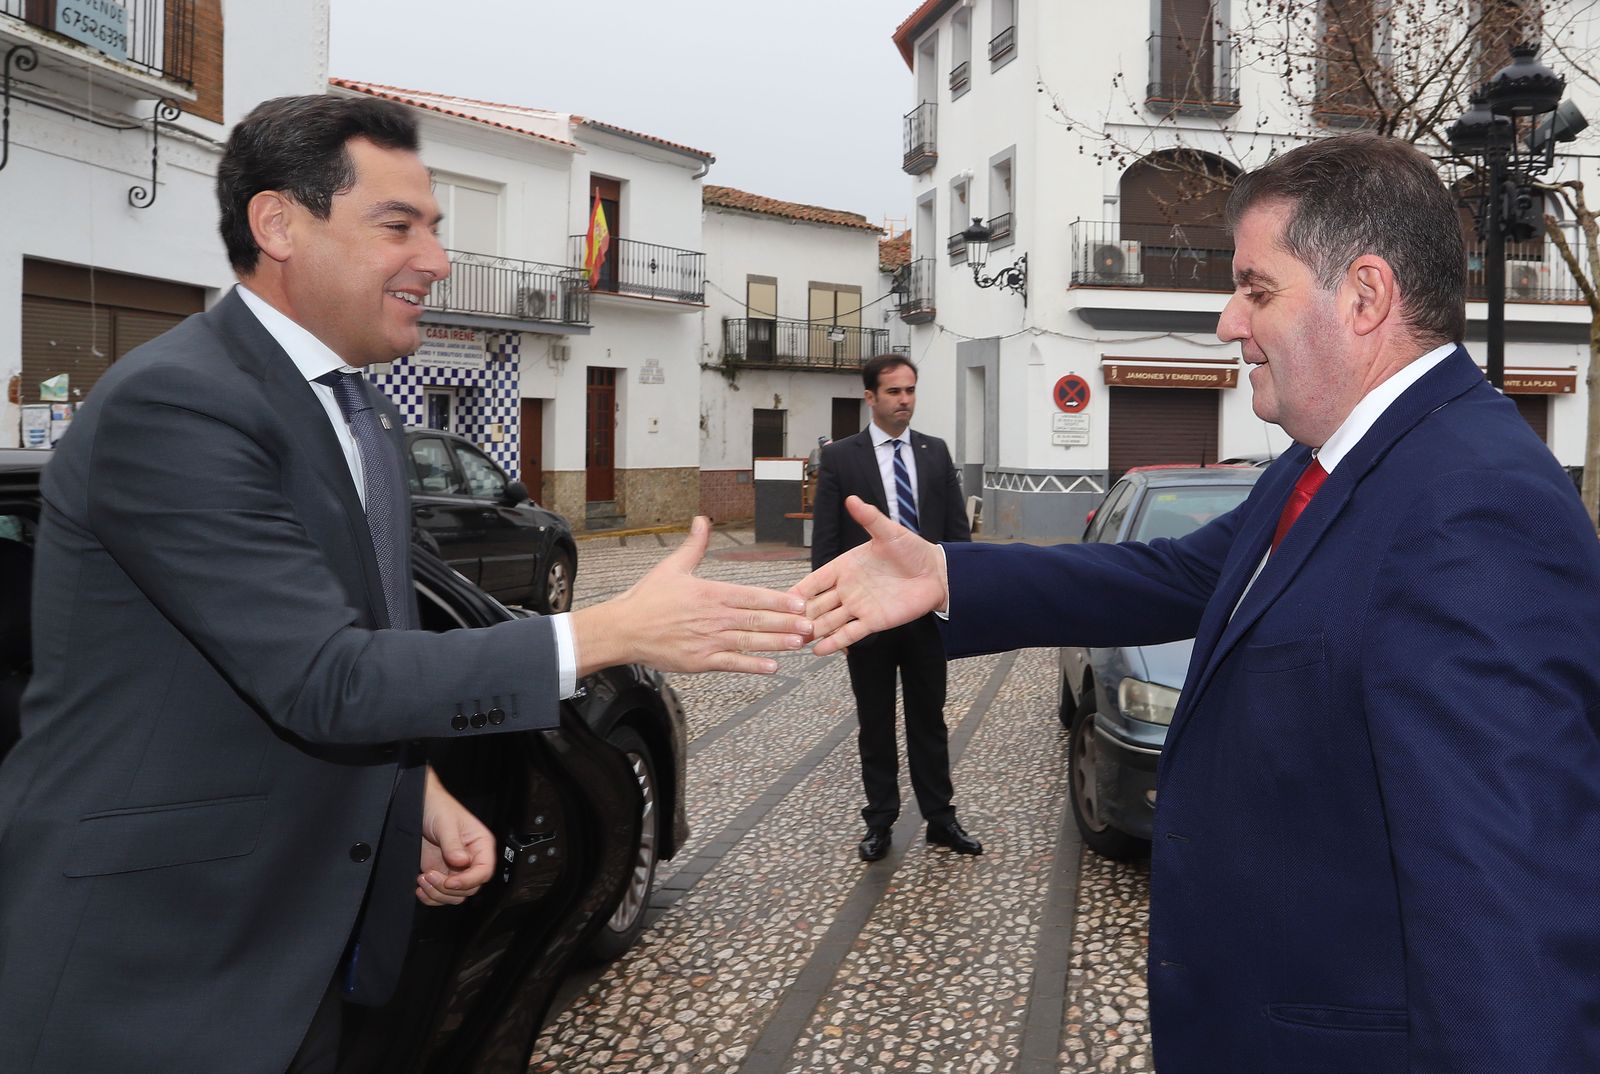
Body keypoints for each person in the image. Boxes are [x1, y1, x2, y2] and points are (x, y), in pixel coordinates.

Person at [0, 94, 811, 1074]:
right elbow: (325, 678)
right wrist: (608, 632)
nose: (434, 258)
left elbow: (356, 646)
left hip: (307, 957)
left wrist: (412, 793)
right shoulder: (178, 405)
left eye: (435, 229)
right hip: (157, 968)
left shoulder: (366, 418)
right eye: (399, 226)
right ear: (279, 225)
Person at [796, 133, 1600, 1072]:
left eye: (1256, 289)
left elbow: (1507, 917)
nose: (1226, 321)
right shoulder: (1325, 459)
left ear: (1367, 296)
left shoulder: (1476, 505)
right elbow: (1176, 576)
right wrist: (948, 574)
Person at [812, 354, 977, 862]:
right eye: (893, 392)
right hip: (869, 616)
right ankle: (879, 821)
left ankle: (940, 819)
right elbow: (827, 545)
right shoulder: (842, 458)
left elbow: (956, 535)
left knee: (930, 719)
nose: (905, 400)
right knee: (876, 721)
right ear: (870, 398)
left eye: (910, 391)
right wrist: (835, 612)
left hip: (926, 616)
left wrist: (959, 602)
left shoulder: (933, 453)